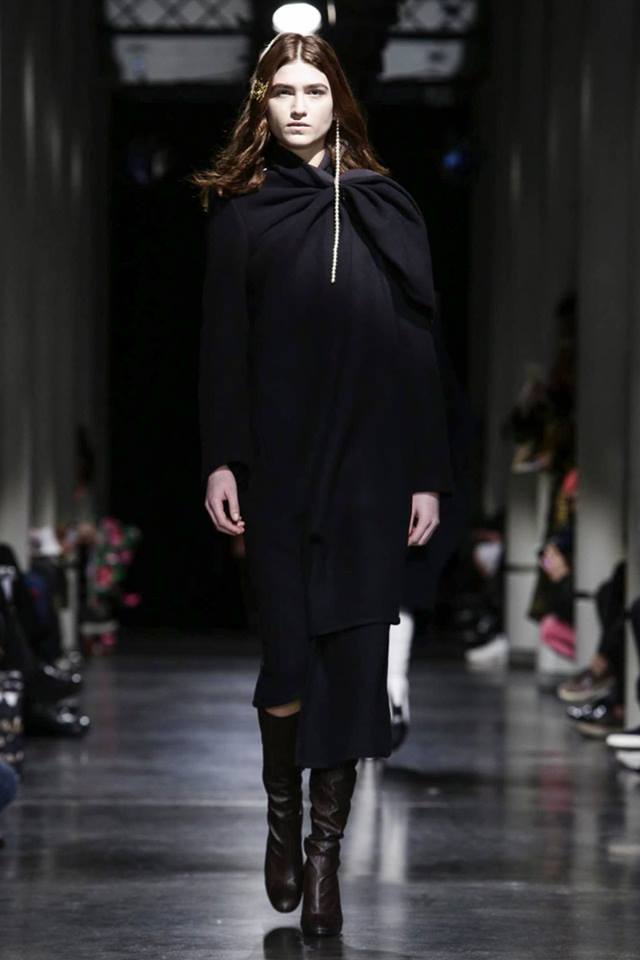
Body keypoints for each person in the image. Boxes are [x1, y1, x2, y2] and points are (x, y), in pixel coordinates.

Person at [194, 32, 457, 938]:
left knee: (351, 666)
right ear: (262, 105)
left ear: (338, 99)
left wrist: (426, 474)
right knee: (288, 659)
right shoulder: (242, 215)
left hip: (371, 470)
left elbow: (419, 351)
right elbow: (223, 350)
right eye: (283, 91)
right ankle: (281, 811)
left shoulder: (386, 206)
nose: (300, 105)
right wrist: (221, 458)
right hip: (278, 467)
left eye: (314, 89)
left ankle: (323, 858)